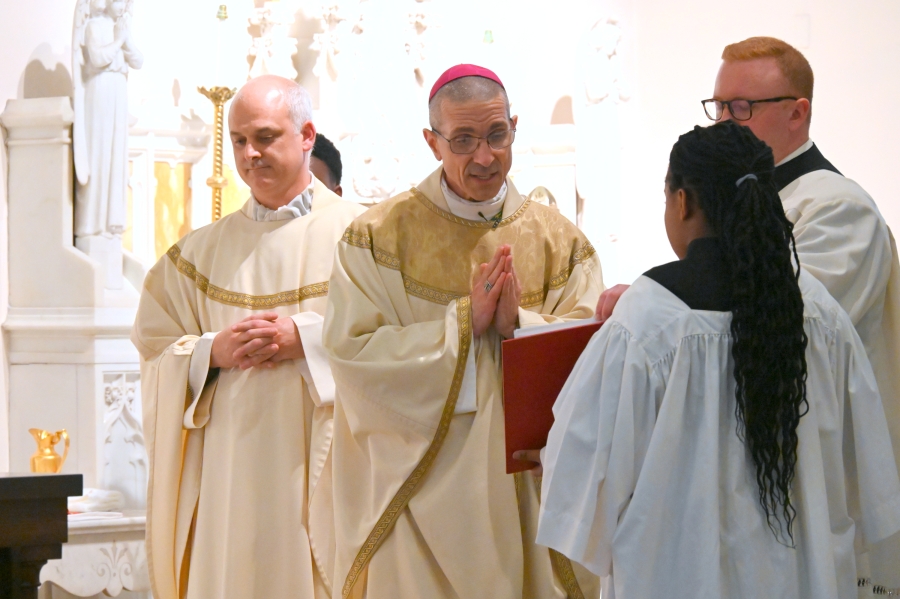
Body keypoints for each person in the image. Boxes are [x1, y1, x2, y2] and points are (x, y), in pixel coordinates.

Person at [537, 121, 900, 599]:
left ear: (682, 201)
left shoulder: (649, 316)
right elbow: (868, 480)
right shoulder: (819, 312)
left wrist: (547, 453)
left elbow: (582, 498)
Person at [322, 64, 604, 599]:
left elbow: (591, 350)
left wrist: (518, 325)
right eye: (464, 140)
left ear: (514, 127)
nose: (484, 156)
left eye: (497, 135)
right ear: (432, 143)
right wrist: (462, 325)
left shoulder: (560, 242)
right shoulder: (377, 236)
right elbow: (351, 353)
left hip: (526, 488)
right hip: (416, 492)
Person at [132, 75, 365, 599]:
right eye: (238, 141)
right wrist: (209, 351)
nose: (249, 154)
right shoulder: (198, 254)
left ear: (306, 135)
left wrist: (305, 338)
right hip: (229, 478)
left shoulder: (363, 237)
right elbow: (153, 343)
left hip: (320, 474)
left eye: (264, 137)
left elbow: (395, 338)